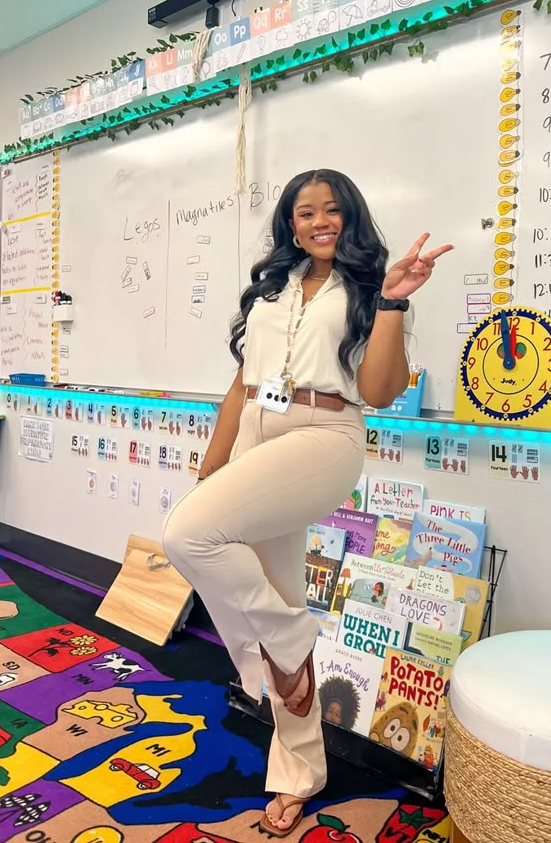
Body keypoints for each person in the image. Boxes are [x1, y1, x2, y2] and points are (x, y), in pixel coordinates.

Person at [162, 169, 451, 837]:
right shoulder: (272, 287)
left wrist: (395, 302)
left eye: (331, 210)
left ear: (350, 217)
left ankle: (288, 638)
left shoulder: (370, 286)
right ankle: (300, 771)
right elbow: (242, 381)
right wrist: (213, 460)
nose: (318, 220)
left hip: (323, 435)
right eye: (303, 211)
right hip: (258, 435)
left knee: (188, 536)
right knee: (276, 592)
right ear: (290, 224)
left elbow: (378, 390)